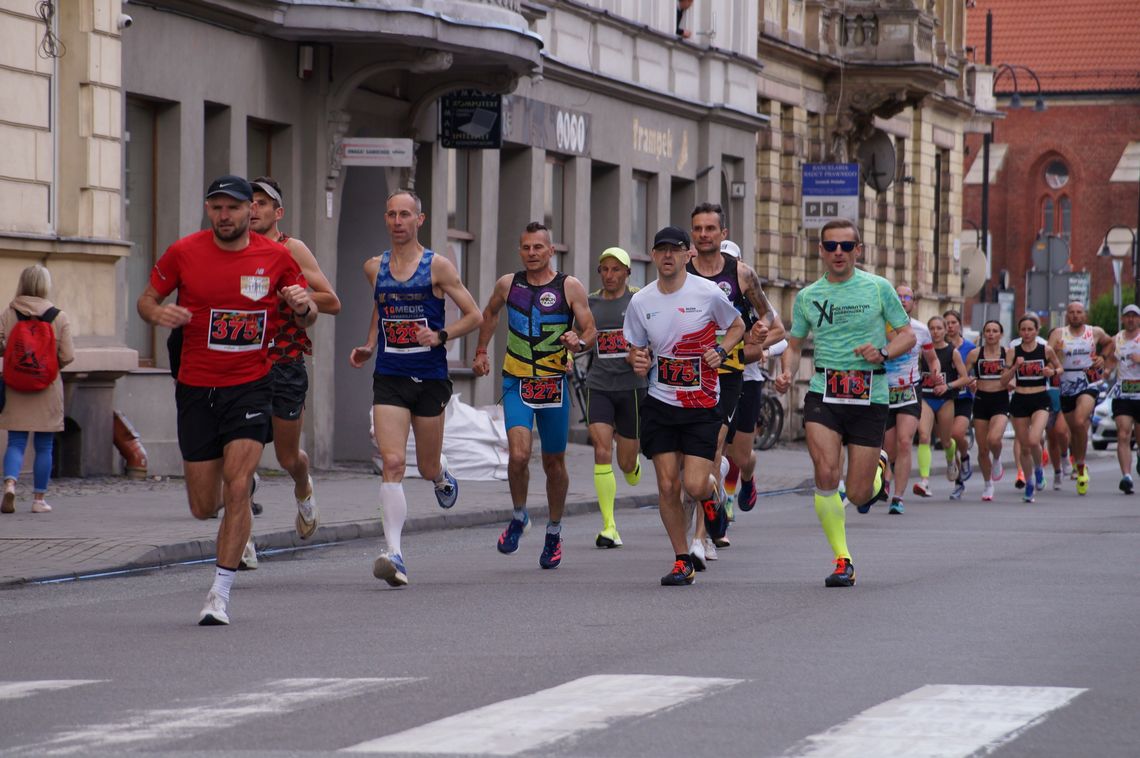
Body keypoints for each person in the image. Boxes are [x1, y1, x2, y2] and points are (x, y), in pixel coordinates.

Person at [138, 174, 316, 625]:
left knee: (239, 483)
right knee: (203, 505)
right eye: (216, 207)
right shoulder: (185, 252)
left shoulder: (276, 257)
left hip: (252, 385)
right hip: (197, 387)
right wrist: (158, 312)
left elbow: (311, 313)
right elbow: (146, 299)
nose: (224, 215)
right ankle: (232, 517)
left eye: (233, 207)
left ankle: (219, 593)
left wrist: (301, 304)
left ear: (247, 212)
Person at [349, 189, 482, 587]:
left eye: (405, 214)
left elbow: (473, 315)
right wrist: (371, 343)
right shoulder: (374, 266)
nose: (397, 221)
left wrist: (441, 335)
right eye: (391, 214)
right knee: (392, 463)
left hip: (429, 377)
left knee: (424, 466)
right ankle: (395, 553)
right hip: (389, 374)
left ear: (419, 220)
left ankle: (441, 474)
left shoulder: (437, 267)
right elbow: (380, 304)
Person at [773, 219, 912, 587]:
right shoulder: (807, 297)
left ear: (858, 251)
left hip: (870, 395)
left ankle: (878, 467)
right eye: (831, 246)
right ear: (820, 250)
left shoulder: (878, 288)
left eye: (846, 246)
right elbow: (794, 343)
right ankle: (842, 558)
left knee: (859, 492)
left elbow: (907, 336)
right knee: (826, 473)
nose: (838, 252)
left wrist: (882, 351)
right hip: (824, 392)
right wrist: (786, 372)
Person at [623, 225, 744, 585]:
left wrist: (721, 351)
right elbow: (635, 348)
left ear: (687, 254)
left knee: (694, 484)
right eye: (661, 250)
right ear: (653, 255)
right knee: (666, 485)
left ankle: (713, 498)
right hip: (660, 402)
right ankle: (681, 559)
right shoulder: (641, 301)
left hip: (702, 402)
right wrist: (638, 361)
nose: (667, 256)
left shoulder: (707, 293)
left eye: (674, 250)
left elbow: (736, 326)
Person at [473, 222, 596, 569]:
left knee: (553, 463)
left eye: (538, 248)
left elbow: (591, 331)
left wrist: (580, 342)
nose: (531, 254)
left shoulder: (569, 286)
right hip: (517, 379)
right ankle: (519, 516)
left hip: (553, 383)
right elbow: (490, 314)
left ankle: (554, 531)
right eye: (526, 248)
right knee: (518, 455)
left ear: (551, 250)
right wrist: (481, 351)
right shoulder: (508, 284)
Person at [248, 176, 341, 542]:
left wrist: (300, 295)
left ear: (278, 212)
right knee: (240, 458)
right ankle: (241, 541)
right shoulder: (234, 248)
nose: (253, 208)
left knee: (288, 458)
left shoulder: (292, 248)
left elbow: (332, 301)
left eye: (262, 202)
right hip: (244, 366)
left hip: (284, 363)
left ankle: (303, 488)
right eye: (249, 201)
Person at [686, 204, 782, 555]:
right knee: (685, 461)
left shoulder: (741, 274)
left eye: (711, 228)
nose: (704, 234)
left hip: (726, 375)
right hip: (684, 375)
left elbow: (767, 312)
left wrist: (761, 328)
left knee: (712, 449)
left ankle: (701, 537)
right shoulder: (681, 271)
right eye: (698, 229)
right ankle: (712, 515)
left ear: (723, 233)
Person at [584, 247, 647, 548]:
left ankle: (633, 465)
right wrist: (572, 350)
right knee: (600, 449)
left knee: (625, 462)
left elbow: (655, 337)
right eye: (604, 270)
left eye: (616, 270)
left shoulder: (638, 300)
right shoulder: (590, 303)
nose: (610, 275)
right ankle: (609, 526)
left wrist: (639, 352)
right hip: (599, 385)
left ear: (627, 273)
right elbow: (581, 337)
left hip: (632, 388)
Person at [0, 265, 75, 515]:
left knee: (16, 442)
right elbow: (68, 355)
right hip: (47, 387)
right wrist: (51, 366)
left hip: (15, 385)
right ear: (45, 285)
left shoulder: (9, 313)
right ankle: (38, 500)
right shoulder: (59, 316)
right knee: (45, 446)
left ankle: (10, 483)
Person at [880, 285, 940, 515]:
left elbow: (932, 358)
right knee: (887, 447)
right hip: (883, 391)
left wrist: (935, 372)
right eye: (898, 296)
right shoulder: (878, 326)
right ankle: (884, 479)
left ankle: (898, 496)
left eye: (907, 297)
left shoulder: (921, 330)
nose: (903, 300)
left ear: (913, 303)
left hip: (909, 390)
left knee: (905, 442)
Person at [1048, 302, 1113, 495]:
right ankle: (1076, 459)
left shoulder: (1095, 332)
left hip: (1088, 381)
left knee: (1079, 420)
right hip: (1066, 383)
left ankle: (1081, 465)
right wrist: (1057, 353)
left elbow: (1110, 343)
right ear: (1067, 315)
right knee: (1073, 430)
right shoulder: (1058, 334)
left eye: (1079, 312)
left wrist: (1103, 357)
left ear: (1084, 314)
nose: (1076, 315)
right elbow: (1046, 355)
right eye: (1072, 313)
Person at [1002, 314, 1062, 503]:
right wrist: (1014, 369)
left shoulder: (1046, 350)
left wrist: (1051, 372)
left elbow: (1060, 369)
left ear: (1037, 331)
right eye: (1023, 329)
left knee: (1034, 439)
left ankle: (1039, 470)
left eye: (1030, 329)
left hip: (1040, 398)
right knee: (1025, 447)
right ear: (1019, 332)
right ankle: (1029, 484)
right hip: (1019, 398)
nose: (1027, 333)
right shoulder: (1013, 351)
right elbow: (1003, 380)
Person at [914, 316, 968, 498]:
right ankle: (924, 481)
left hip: (945, 399)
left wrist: (947, 386)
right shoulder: (922, 352)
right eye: (932, 328)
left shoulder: (952, 352)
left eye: (939, 328)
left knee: (946, 441)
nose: (935, 332)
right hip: (926, 398)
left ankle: (951, 459)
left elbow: (965, 377)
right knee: (923, 436)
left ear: (946, 330)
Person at [963, 320, 1011, 501]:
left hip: (1000, 399)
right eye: (988, 331)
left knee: (994, 439)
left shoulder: (1008, 353)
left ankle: (997, 458)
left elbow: (1015, 373)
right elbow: (963, 373)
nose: (991, 334)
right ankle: (988, 483)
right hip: (981, 400)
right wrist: (970, 382)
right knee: (982, 449)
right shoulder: (976, 354)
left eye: (995, 331)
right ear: (984, 334)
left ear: (1001, 334)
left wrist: (1013, 382)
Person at [944, 309, 976, 497]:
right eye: (946, 323)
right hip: (945, 398)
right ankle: (959, 482)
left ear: (959, 325)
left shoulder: (969, 347)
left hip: (963, 398)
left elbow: (974, 371)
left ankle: (965, 457)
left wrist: (974, 381)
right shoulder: (938, 346)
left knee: (957, 434)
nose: (949, 326)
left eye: (953, 322)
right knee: (948, 442)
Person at [1110, 304, 1140, 494]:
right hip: (1123, 393)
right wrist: (1104, 369)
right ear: (1122, 319)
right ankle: (1126, 477)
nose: (1131, 319)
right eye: (1127, 316)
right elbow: (1108, 361)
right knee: (1123, 434)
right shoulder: (1116, 339)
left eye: (1134, 316)